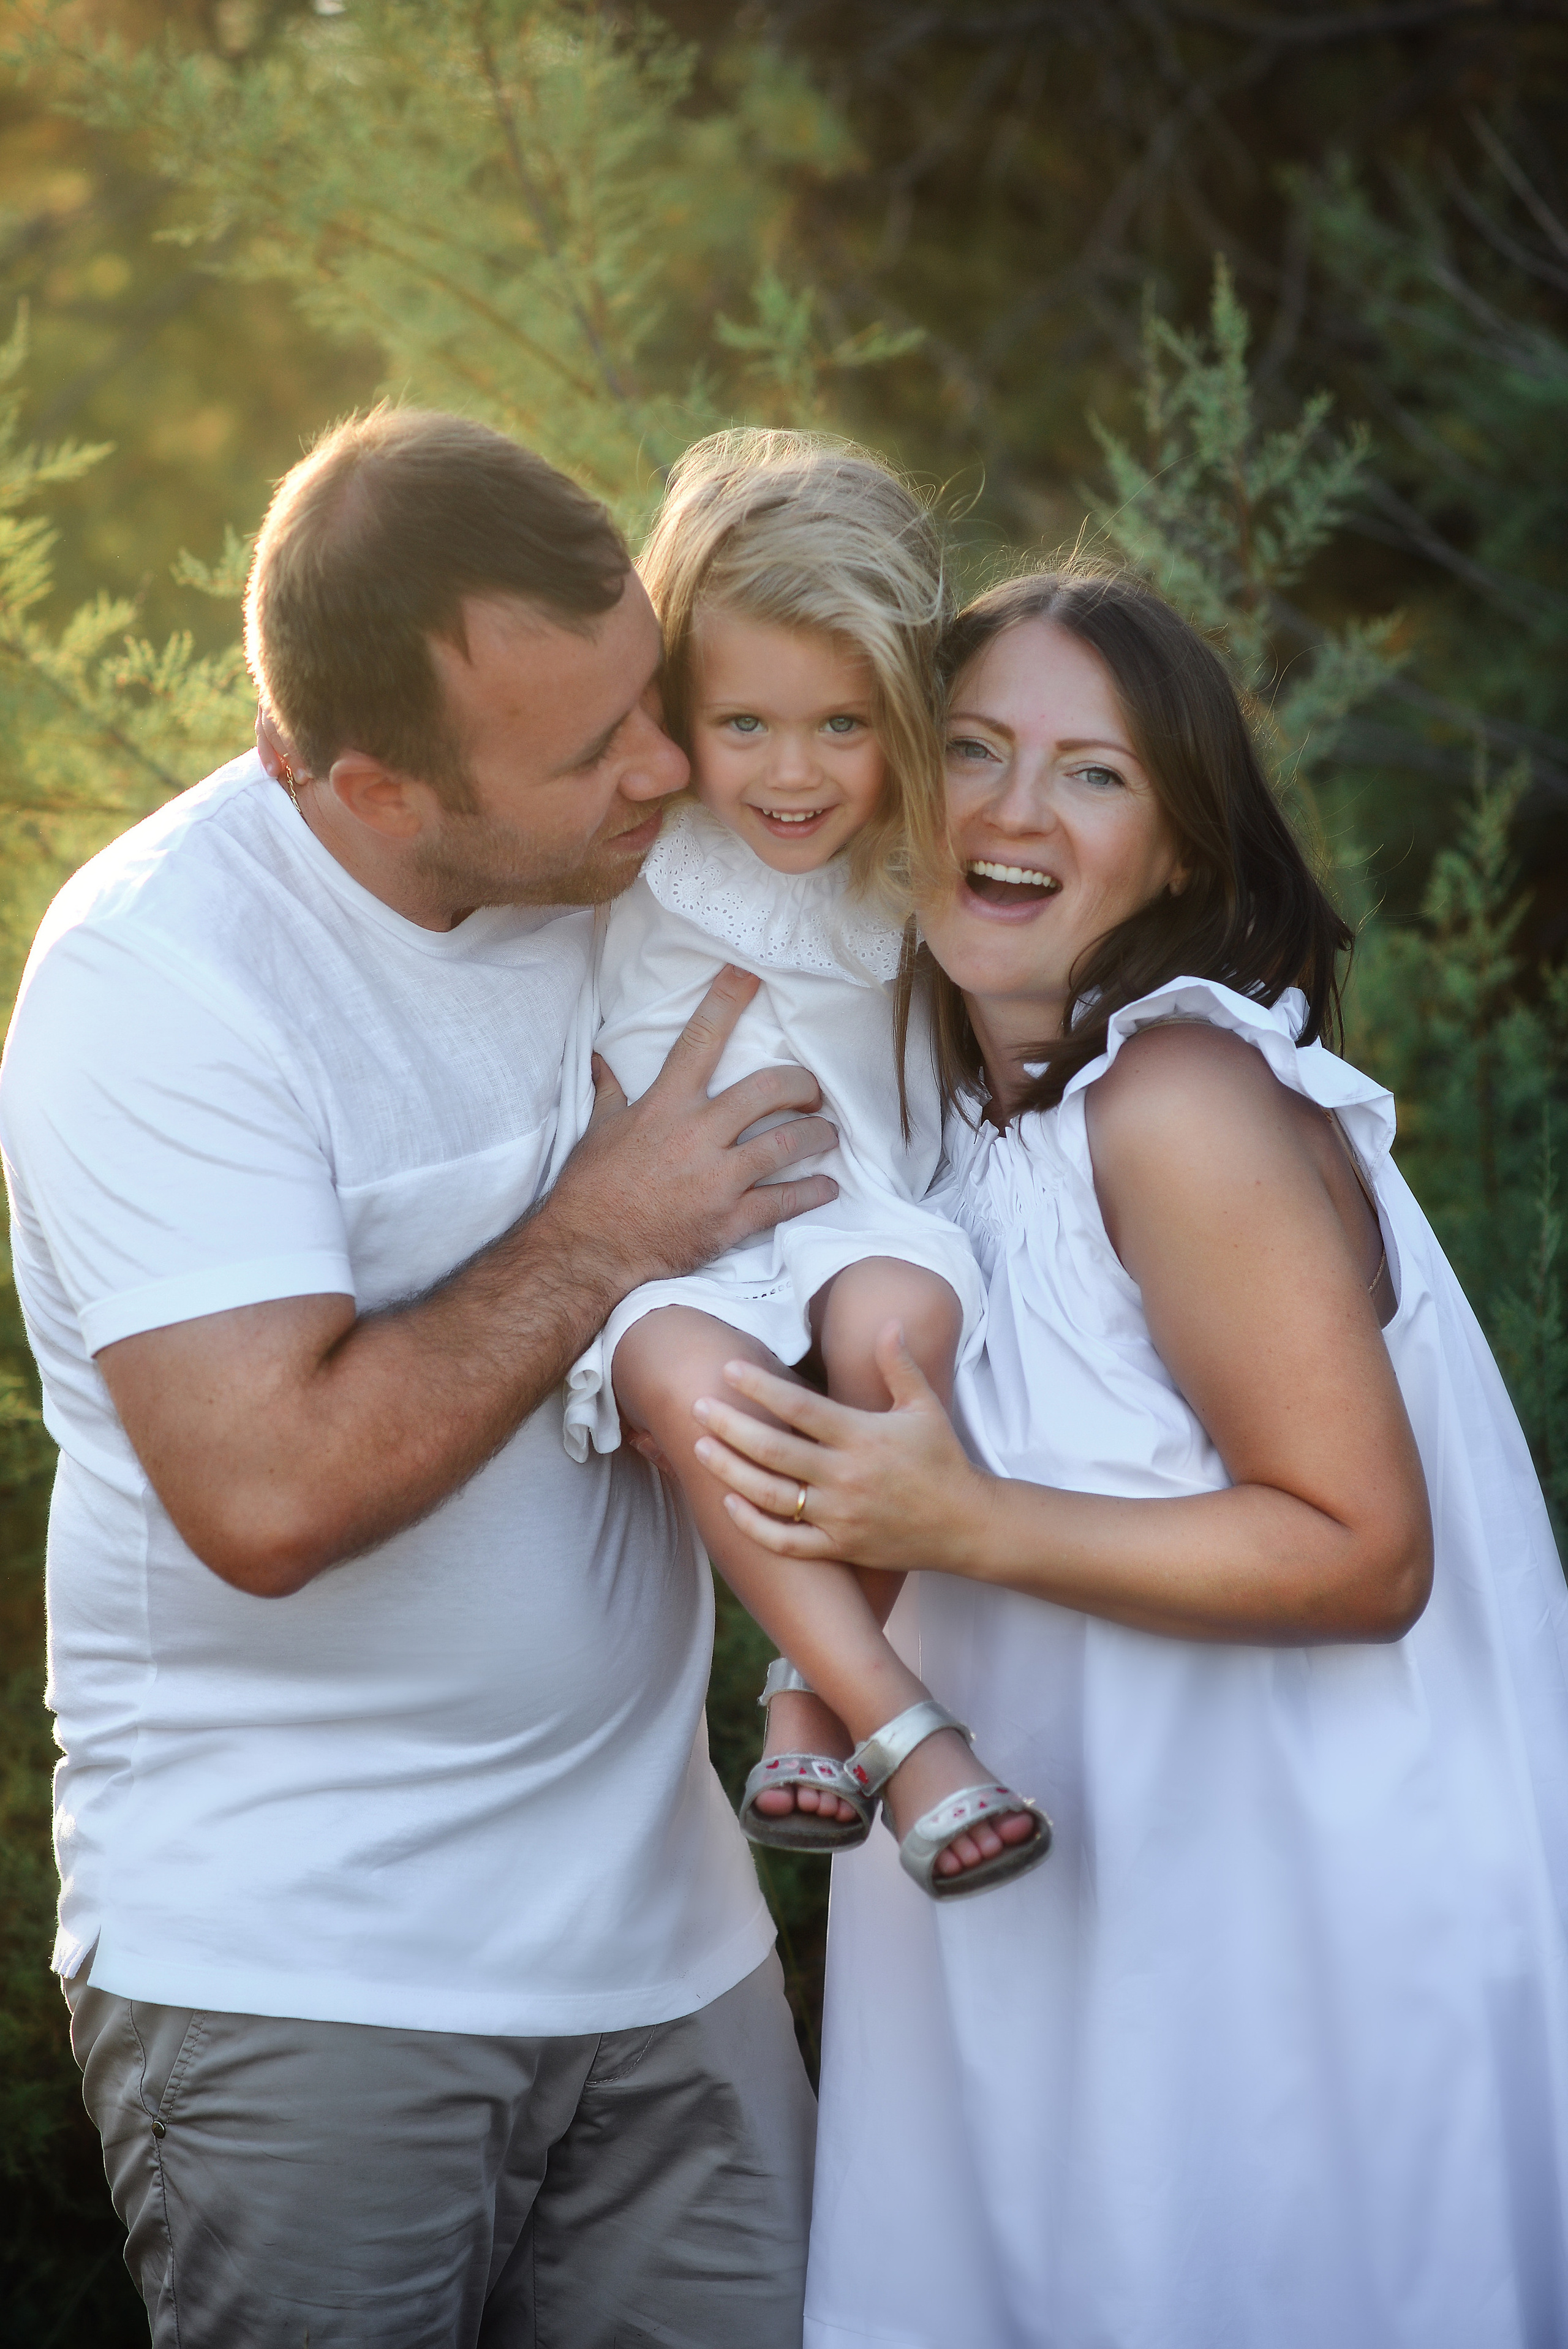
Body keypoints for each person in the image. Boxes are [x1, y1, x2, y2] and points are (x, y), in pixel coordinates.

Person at [0, 404, 842, 2349]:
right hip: (312, 1981)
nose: (661, 771)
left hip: (674, 1955)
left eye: (654, 693)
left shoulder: (647, 856)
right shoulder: (163, 978)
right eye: (586, 752)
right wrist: (609, 1228)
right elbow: (266, 1495)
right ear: (368, 787)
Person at [690, 568, 1568, 2348]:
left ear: (1177, 845)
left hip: (1276, 1940)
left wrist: (963, 1520)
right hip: (1062, 1915)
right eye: (976, 752)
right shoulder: (960, 1124)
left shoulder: (1176, 1100)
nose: (1014, 811)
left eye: (1091, 774)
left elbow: (1360, 1550)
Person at [566, 429, 1047, 1899]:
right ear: (674, 710)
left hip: (856, 1213)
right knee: (681, 1380)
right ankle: (903, 1731)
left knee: (899, 1337)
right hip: (671, 1249)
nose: (794, 774)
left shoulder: (914, 865)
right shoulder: (620, 851)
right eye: (747, 726)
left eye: (844, 726)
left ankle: (802, 1692)